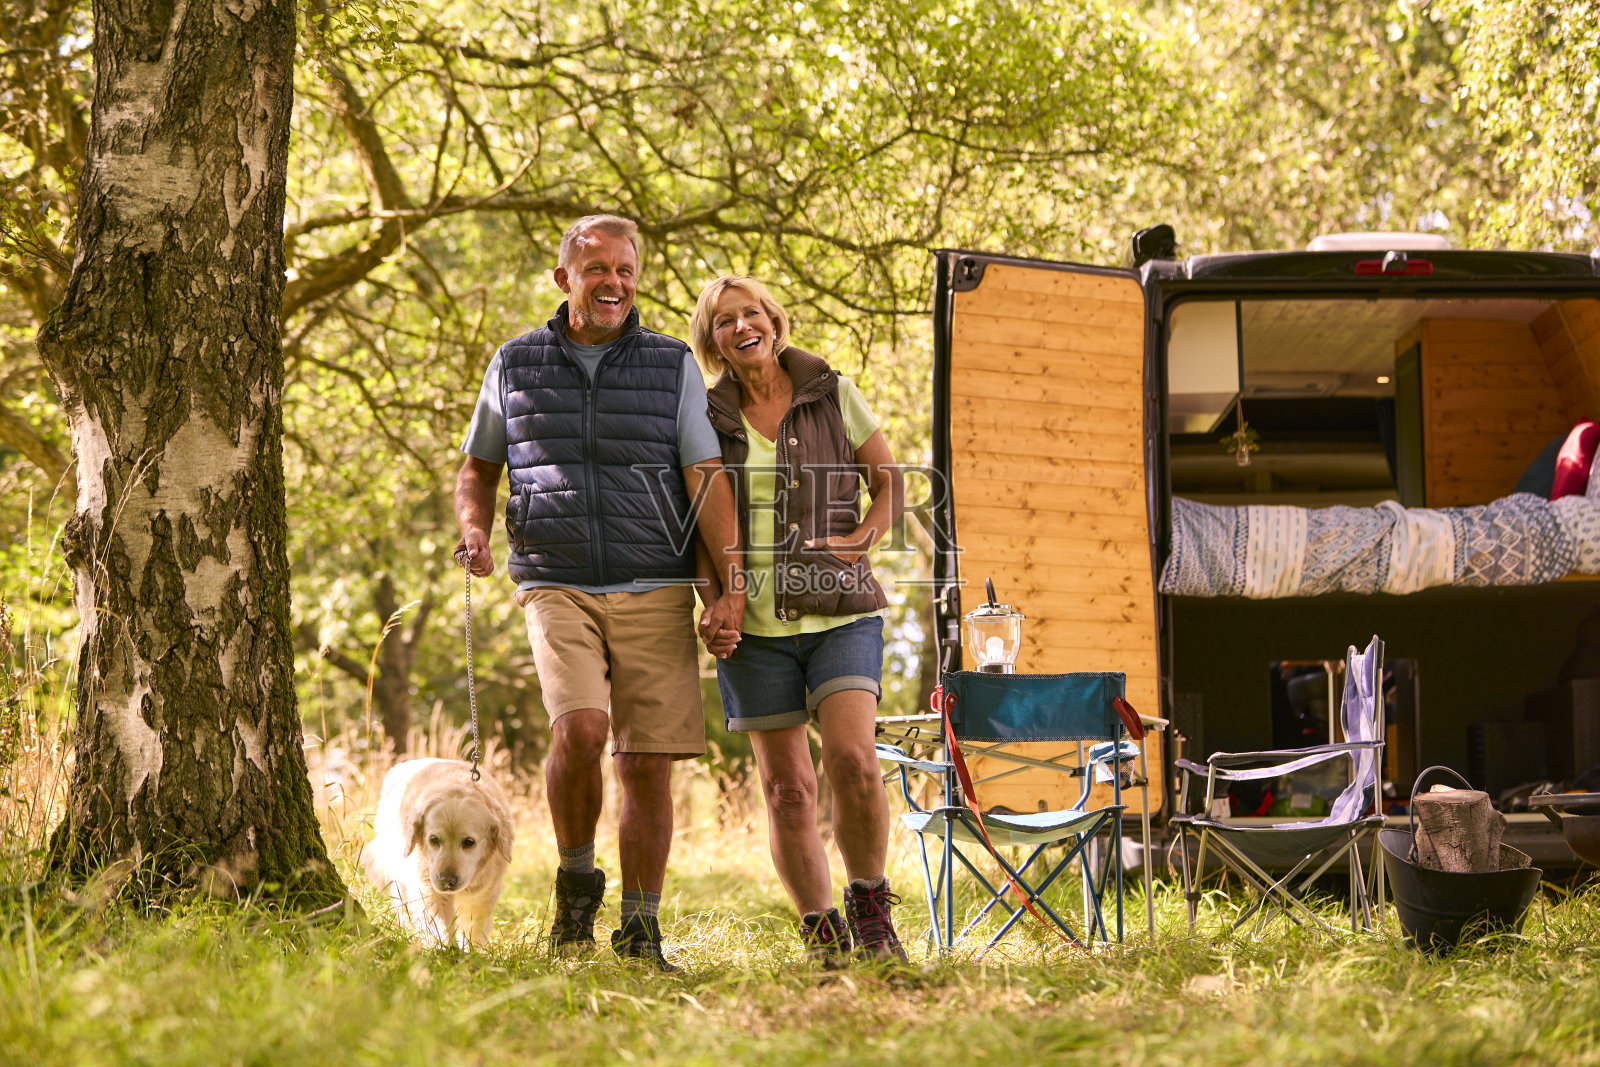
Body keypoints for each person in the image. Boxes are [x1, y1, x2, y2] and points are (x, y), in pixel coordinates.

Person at [454, 215, 744, 972]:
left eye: (625, 269)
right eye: (596, 269)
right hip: (556, 577)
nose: (613, 282)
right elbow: (479, 467)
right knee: (580, 730)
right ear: (565, 279)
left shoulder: (672, 363)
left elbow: (705, 478)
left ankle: (641, 929)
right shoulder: (514, 363)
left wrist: (731, 588)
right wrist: (475, 529)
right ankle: (576, 886)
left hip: (655, 579)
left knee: (646, 760)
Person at [688, 275, 908, 965]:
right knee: (787, 789)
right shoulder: (704, 416)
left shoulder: (832, 392)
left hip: (841, 613)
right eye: (725, 320)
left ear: (775, 322)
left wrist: (861, 540)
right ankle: (821, 931)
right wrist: (709, 602)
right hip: (753, 634)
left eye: (752, 312)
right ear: (713, 341)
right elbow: (695, 524)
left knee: (854, 761)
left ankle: (870, 905)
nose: (742, 326)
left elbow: (891, 482)